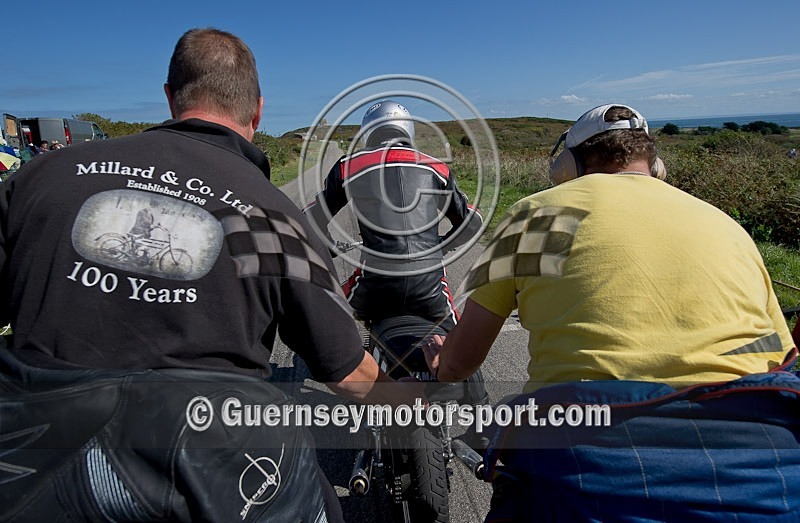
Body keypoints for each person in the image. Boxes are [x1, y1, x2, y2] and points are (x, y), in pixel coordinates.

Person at [0, 28, 419, 522]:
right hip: (205, 475)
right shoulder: (276, 219)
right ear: (257, 111)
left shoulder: (39, 178)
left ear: (170, 97)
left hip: (35, 461)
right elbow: (348, 374)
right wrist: (407, 403)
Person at [423, 104, 799, 520]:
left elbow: (461, 361)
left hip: (591, 457)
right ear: (654, 165)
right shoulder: (727, 226)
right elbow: (781, 358)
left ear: (566, 165)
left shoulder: (537, 215)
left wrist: (444, 365)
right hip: (760, 464)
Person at [303, 99, 489, 408]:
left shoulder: (350, 165)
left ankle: (356, 376)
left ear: (368, 132)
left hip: (373, 287)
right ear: (408, 130)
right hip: (430, 288)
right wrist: (440, 244)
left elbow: (310, 220)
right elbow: (474, 222)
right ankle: (481, 418)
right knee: (458, 338)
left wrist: (331, 249)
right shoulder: (437, 166)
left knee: (332, 315)